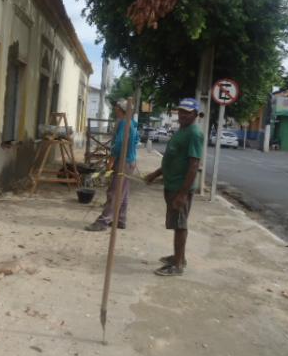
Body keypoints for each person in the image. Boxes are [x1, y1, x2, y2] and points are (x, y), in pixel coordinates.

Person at [144, 98, 203, 276]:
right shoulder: (182, 130)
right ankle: (179, 257)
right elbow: (173, 158)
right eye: (180, 111)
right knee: (176, 223)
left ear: (196, 114)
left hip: (179, 188)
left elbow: (193, 166)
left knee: (180, 225)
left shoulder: (194, 133)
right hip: (172, 185)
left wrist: (182, 194)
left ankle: (177, 265)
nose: (182, 115)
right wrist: (155, 174)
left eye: (187, 112)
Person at [85, 99, 138, 231]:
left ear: (121, 110)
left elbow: (119, 144)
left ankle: (103, 221)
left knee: (114, 192)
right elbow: (136, 140)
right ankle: (120, 219)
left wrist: (111, 161)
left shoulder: (124, 123)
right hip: (130, 160)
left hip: (123, 161)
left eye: (117, 108)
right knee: (123, 192)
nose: (115, 110)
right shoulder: (132, 123)